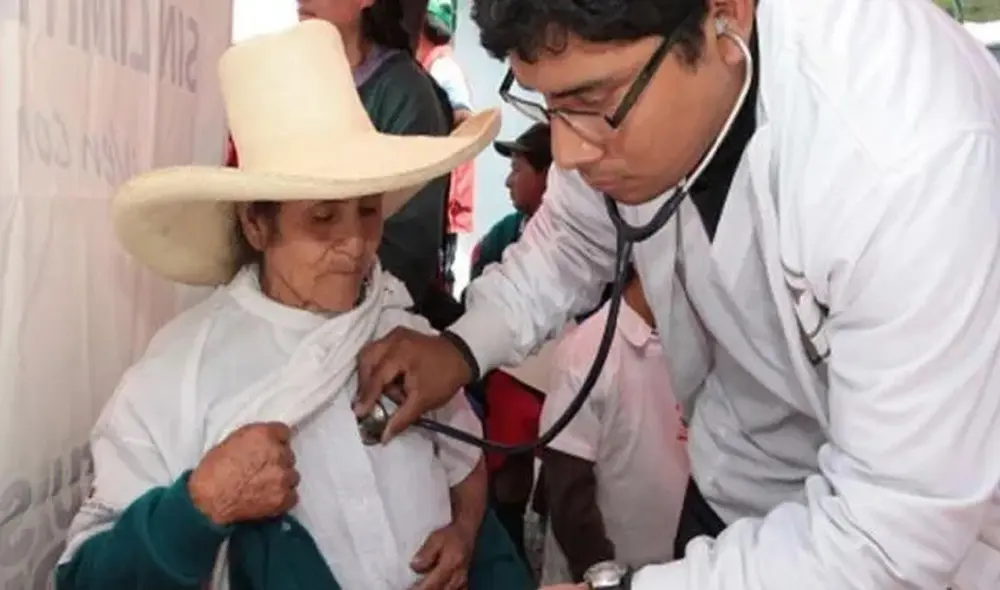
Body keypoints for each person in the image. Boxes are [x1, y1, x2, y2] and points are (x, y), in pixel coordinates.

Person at [353, 0, 1000, 588]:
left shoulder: (912, 157)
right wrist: (463, 348)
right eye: (548, 105)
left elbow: (889, 536)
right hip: (735, 487)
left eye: (591, 101)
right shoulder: (620, 95)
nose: (571, 153)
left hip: (912, 545)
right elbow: (573, 238)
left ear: (726, 16)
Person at [55, 21, 533, 590]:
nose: (355, 245)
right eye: (323, 218)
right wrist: (198, 507)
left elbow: (464, 464)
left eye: (368, 211)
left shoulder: (402, 333)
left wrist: (464, 533)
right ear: (257, 224)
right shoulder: (179, 375)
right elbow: (85, 578)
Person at [539, 266, 689, 585]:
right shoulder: (587, 352)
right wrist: (604, 577)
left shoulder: (689, 349)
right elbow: (567, 488)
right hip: (598, 574)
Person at [417, 0, 477, 293]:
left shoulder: (442, 68)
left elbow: (464, 120)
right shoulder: (432, 65)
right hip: (438, 199)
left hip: (443, 204)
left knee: (436, 278)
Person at [470, 122, 551, 281]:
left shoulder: (582, 240)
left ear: (549, 175)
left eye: (516, 169)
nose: (508, 181)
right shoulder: (502, 235)